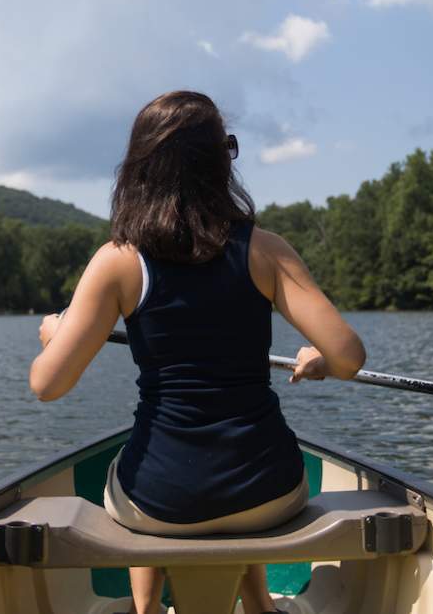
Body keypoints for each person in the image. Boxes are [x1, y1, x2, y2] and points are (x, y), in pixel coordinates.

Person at [29, 90, 366, 614]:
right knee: (230, 474)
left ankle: (147, 610)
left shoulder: (117, 261)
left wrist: (58, 333)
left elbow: (47, 385)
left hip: (162, 501)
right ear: (220, 162)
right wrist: (320, 360)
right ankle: (258, 605)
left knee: (129, 470)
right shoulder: (266, 250)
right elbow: (349, 356)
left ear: (139, 167)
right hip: (270, 492)